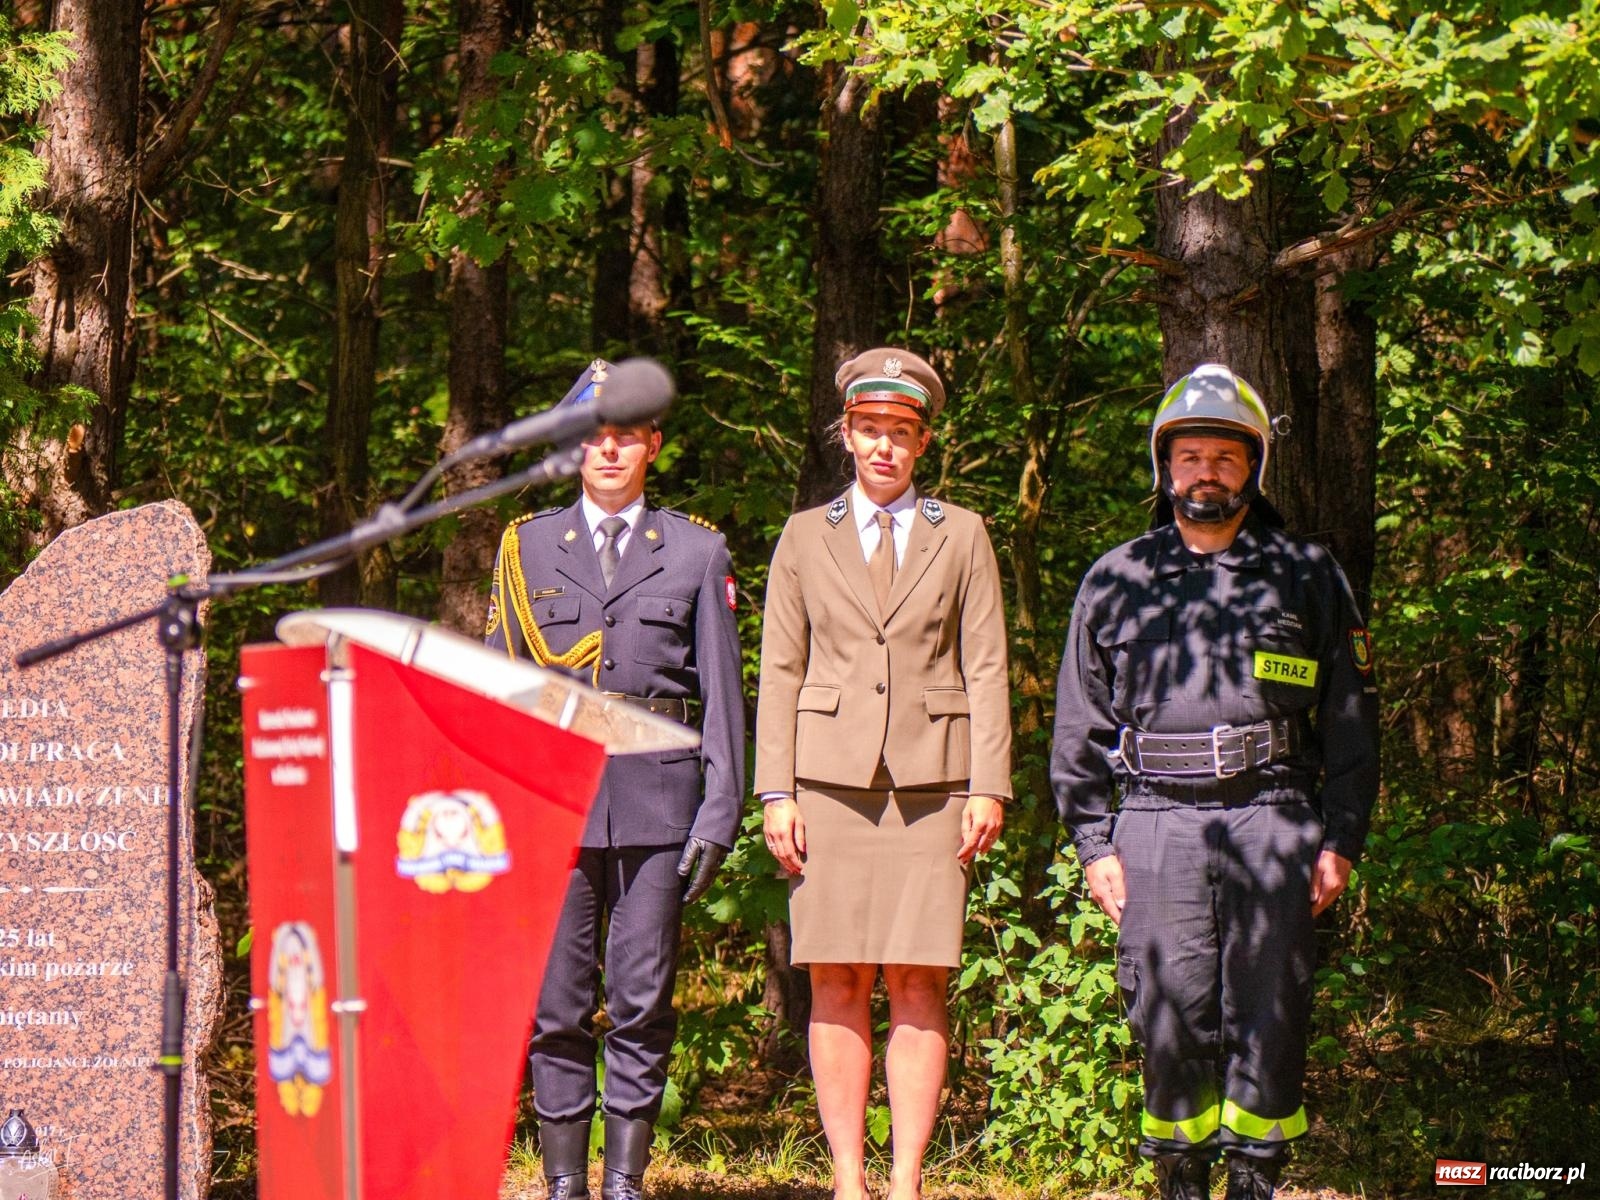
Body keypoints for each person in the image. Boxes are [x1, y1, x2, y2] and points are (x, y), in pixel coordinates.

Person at [1050, 363, 1380, 1200]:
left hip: (1274, 816)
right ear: (1165, 468)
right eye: (1189, 456)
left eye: (1224, 458)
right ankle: (1180, 1181)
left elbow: (1350, 719)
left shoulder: (1307, 572)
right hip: (1155, 822)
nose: (1206, 471)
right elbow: (1077, 725)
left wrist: (1340, 838)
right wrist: (1093, 843)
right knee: (1169, 1011)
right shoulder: (1115, 578)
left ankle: (1257, 1182)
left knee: (1271, 1014)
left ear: (1253, 468)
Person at [485, 359, 745, 1200]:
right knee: (556, 1001)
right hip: (551, 801)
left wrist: (719, 813)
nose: (608, 449)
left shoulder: (699, 551)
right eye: (593, 436)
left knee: (641, 999)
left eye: (625, 435)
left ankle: (624, 1180)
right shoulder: (524, 549)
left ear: (652, 446)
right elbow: (501, 691)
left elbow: (722, 695)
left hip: (658, 799)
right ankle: (563, 1178)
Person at [755, 347, 1011, 1200]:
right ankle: (847, 1180)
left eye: (901, 433)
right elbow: (780, 671)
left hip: (932, 787)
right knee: (835, 975)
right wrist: (777, 791)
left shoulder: (963, 532)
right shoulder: (802, 536)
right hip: (826, 785)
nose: (883, 448)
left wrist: (988, 783)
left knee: (917, 976)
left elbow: (987, 666)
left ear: (923, 441)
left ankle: (904, 1184)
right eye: (870, 430)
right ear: (847, 435)